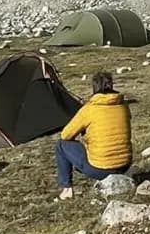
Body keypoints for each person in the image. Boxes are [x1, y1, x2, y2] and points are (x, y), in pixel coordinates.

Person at [55, 72, 131, 200]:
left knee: (61, 146)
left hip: (100, 168)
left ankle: (66, 189)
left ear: (94, 87)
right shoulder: (123, 105)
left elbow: (65, 135)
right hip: (125, 164)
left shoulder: (89, 109)